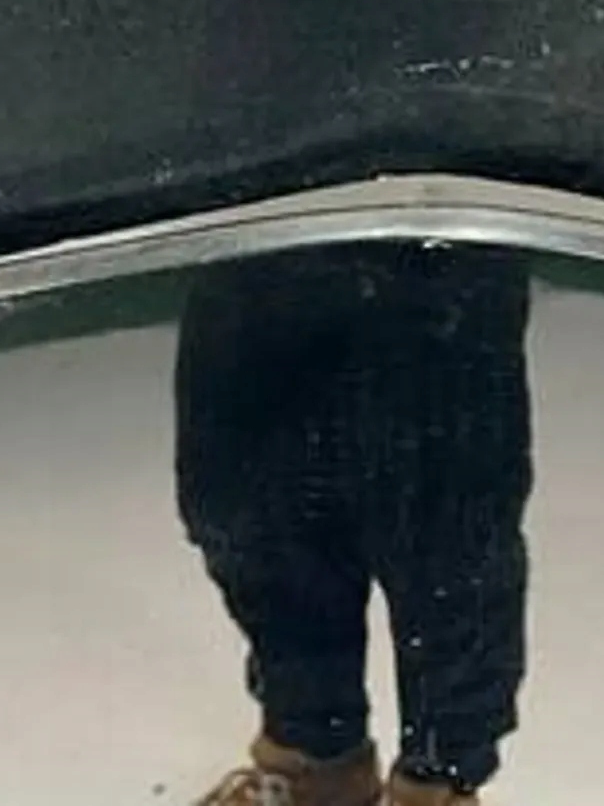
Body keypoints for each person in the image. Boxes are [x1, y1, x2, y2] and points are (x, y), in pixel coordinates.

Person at [178, 245, 534, 806]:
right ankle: (311, 758)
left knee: (443, 512)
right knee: (252, 493)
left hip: (430, 236)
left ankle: (438, 786)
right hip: (257, 224)